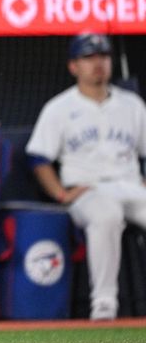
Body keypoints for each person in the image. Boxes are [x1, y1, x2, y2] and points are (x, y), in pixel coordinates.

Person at [26, 33, 146, 320]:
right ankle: (104, 306)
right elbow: (39, 157)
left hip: (130, 185)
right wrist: (60, 193)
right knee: (106, 215)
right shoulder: (60, 108)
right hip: (88, 190)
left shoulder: (132, 105)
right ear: (74, 66)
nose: (98, 63)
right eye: (89, 57)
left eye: (103, 56)